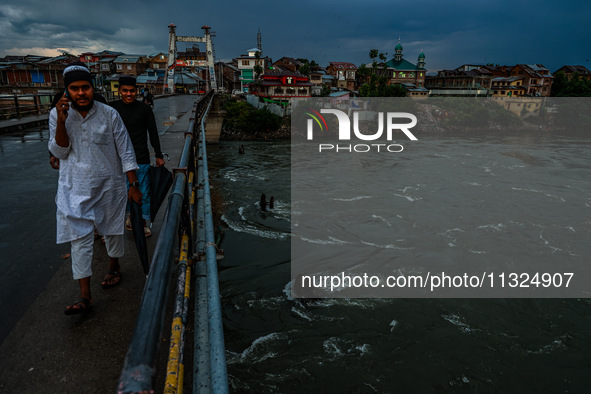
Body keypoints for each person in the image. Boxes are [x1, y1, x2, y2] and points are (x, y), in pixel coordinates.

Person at [48, 62, 142, 315]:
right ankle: (84, 295)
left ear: (93, 88)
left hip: (109, 185)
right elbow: (60, 151)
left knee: (112, 230)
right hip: (73, 187)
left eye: (85, 88)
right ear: (67, 91)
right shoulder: (57, 114)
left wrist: (133, 184)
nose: (81, 93)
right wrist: (61, 121)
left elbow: (125, 150)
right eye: (75, 89)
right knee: (79, 240)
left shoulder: (109, 114)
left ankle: (114, 266)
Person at [110, 75, 165, 237]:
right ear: (119, 91)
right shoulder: (111, 109)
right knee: (122, 191)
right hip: (117, 159)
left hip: (140, 157)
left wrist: (159, 155)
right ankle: (129, 217)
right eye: (125, 91)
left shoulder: (145, 109)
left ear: (137, 91)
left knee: (143, 191)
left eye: (132, 91)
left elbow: (153, 133)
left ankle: (141, 222)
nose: (129, 94)